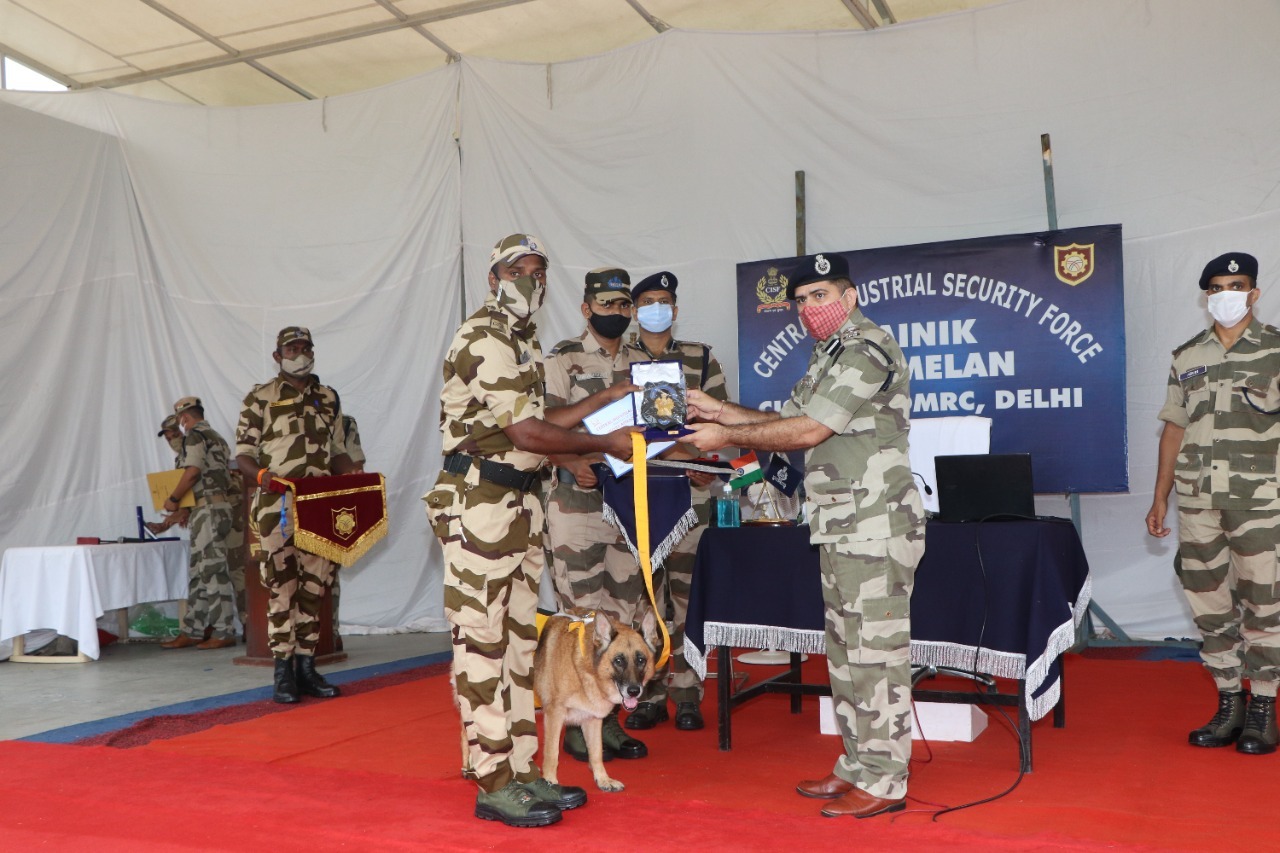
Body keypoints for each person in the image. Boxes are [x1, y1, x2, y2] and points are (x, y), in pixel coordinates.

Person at [684, 252, 924, 819]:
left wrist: (722, 432)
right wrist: (722, 411)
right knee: (845, 656)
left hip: (873, 524)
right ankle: (857, 765)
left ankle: (887, 780)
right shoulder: (828, 354)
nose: (809, 308)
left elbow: (810, 429)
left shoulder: (865, 349)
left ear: (850, 296)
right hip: (842, 526)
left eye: (821, 295)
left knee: (876, 658)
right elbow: (782, 420)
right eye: (801, 300)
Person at [424, 233, 637, 828]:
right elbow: (527, 436)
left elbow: (542, 422)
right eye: (518, 270)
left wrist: (611, 398)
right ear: (494, 278)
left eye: (539, 272)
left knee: (520, 649)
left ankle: (523, 771)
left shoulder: (522, 340)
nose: (531, 281)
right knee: (481, 646)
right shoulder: (483, 337)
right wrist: (603, 442)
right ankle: (492, 779)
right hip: (478, 509)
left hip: (518, 509)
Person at [1146, 251, 1280, 755]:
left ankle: (1263, 707)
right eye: (1219, 287)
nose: (1228, 294)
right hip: (1197, 501)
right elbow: (1174, 428)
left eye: (1238, 284)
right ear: (1207, 296)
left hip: (1262, 503)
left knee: (1265, 603)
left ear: (1254, 292)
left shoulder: (1275, 351)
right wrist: (1160, 497)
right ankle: (1230, 703)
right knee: (1208, 604)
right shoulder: (1187, 356)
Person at [542, 266, 650, 763]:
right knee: (583, 616)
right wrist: (570, 461)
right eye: (607, 305)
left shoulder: (646, 362)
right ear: (586, 308)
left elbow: (660, 425)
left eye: (624, 305)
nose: (617, 314)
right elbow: (540, 427)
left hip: (630, 503)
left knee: (623, 614)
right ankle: (573, 719)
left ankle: (606, 715)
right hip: (577, 501)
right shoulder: (562, 360)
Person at [621, 271, 729, 734]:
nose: (656, 308)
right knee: (646, 603)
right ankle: (649, 694)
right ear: (633, 309)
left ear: (676, 310)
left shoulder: (700, 358)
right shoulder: (617, 359)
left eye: (663, 301)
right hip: (635, 498)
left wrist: (700, 458)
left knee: (685, 599)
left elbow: (718, 421)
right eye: (647, 301)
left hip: (687, 496)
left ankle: (687, 695)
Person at [236, 327, 357, 704]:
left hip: (319, 504)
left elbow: (338, 449)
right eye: (292, 348)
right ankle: (282, 672)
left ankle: (307, 667)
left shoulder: (327, 397)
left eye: (305, 348)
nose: (299, 354)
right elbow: (242, 455)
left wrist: (354, 476)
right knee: (281, 587)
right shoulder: (260, 398)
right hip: (277, 506)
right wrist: (261, 477)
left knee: (314, 587)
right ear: (278, 355)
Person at [157, 397, 239, 650]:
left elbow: (192, 473)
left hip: (209, 509)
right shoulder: (216, 437)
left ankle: (224, 631)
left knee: (212, 571)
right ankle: (193, 629)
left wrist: (173, 499)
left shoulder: (195, 436)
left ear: (184, 419)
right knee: (199, 573)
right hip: (210, 509)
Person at [146, 414, 190, 535]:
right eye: (168, 439)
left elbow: (194, 482)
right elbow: (189, 499)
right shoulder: (181, 458)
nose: (173, 441)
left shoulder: (197, 451)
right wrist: (164, 525)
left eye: (176, 435)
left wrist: (174, 501)